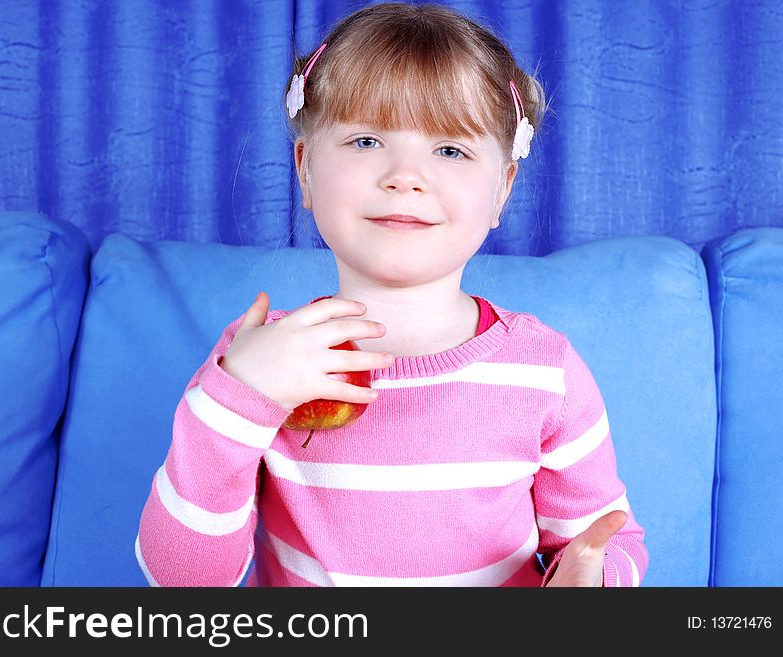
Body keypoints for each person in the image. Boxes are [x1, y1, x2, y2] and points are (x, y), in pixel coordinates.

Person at [136, 1, 648, 587]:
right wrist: (238, 401)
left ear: (502, 189)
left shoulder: (545, 371)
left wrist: (596, 578)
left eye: (450, 149)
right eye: (365, 140)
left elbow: (611, 540)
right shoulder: (258, 358)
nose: (404, 175)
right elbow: (181, 580)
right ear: (305, 171)